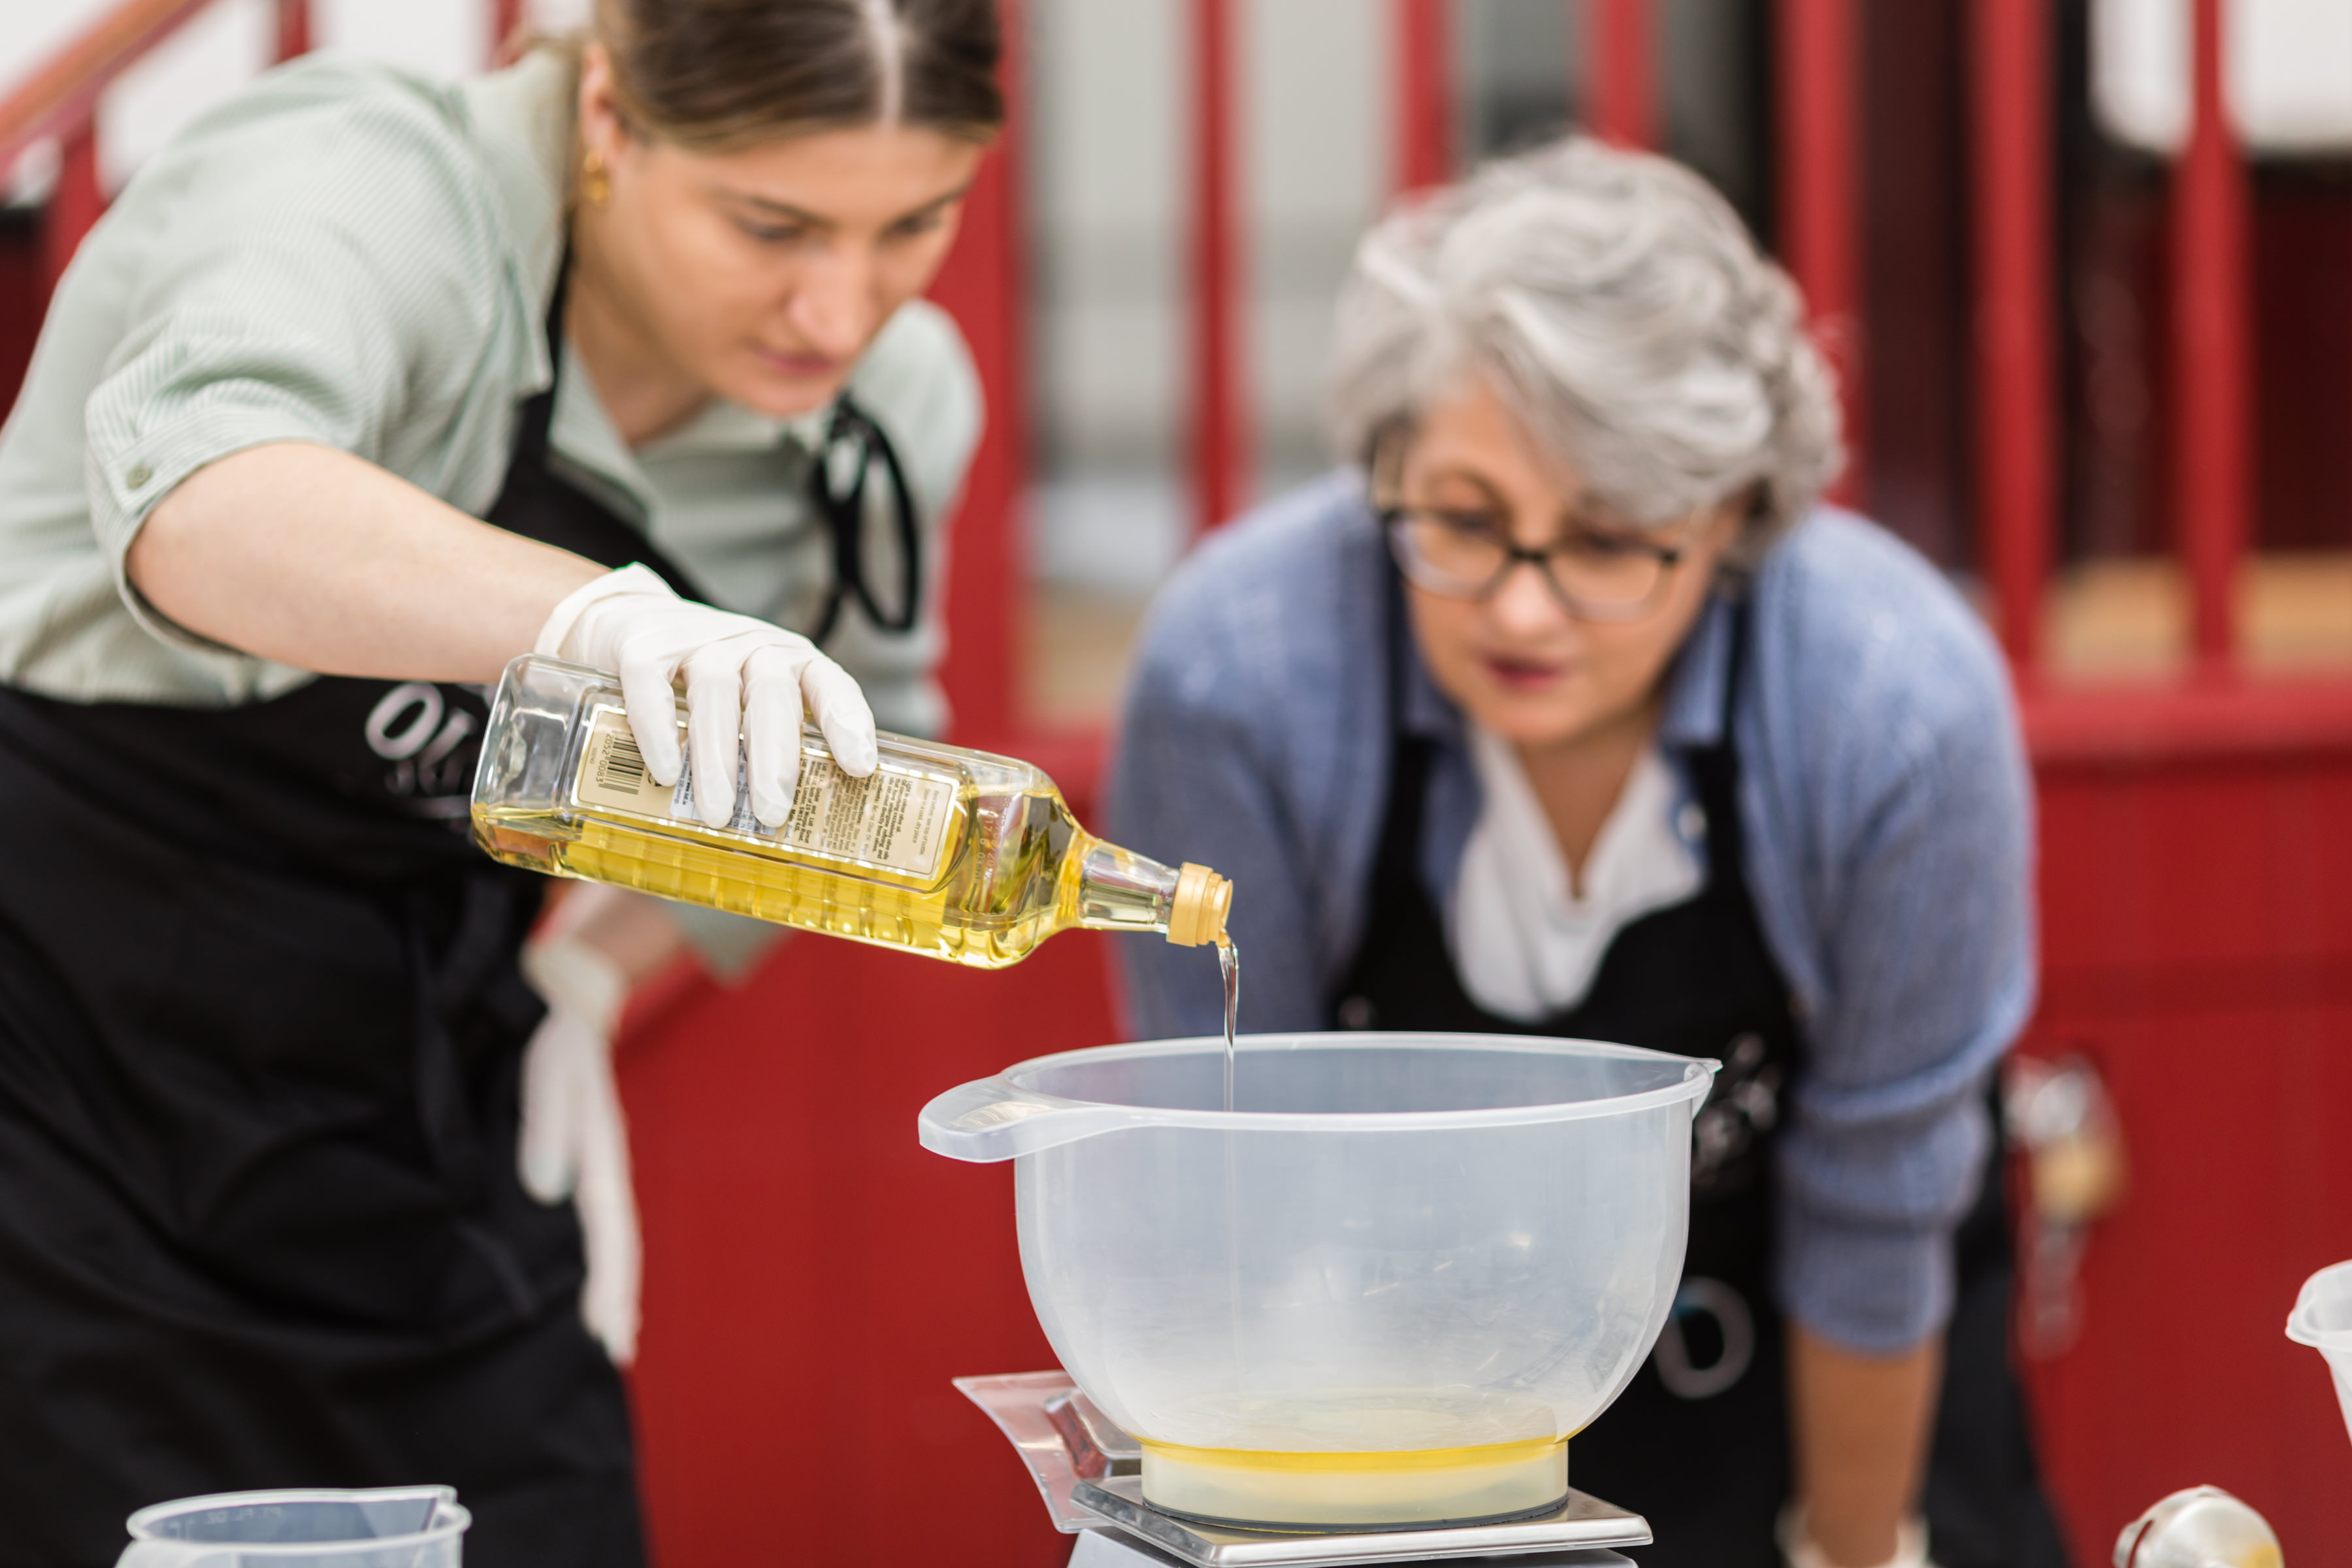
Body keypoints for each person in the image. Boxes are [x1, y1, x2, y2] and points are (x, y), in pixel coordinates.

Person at [0, 1, 997, 1562]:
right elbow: (205, 492)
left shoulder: (893, 402)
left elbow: (871, 740)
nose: (838, 308)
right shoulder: (369, 180)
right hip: (55, 1042)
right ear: (607, 115)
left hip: (421, 1072)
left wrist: (593, 980)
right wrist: (593, 619)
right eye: (771, 224)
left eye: (914, 225)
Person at [1109, 139, 2067, 1568]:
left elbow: (1877, 1212)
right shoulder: (1238, 679)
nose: (1526, 610)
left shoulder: (1895, 704)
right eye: (1467, 520)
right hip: (1378, 1397)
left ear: (1737, 516)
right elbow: (1231, 1209)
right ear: (1386, 462)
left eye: (1612, 541)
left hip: (1833, 1384)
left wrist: (1849, 1551)